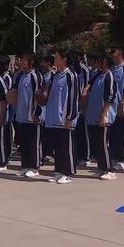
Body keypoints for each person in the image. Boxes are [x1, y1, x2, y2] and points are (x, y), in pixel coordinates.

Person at [45, 49, 79, 184]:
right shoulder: (54, 76)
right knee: (58, 147)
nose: (55, 59)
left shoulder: (71, 76)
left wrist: (70, 117)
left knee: (66, 147)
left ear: (64, 59)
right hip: (54, 118)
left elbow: (72, 97)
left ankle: (68, 172)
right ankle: (59, 171)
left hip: (65, 118)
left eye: (57, 57)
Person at [85, 53, 118, 180]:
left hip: (104, 116)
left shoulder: (109, 76)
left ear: (105, 62)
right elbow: (89, 84)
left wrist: (103, 115)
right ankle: (101, 167)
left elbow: (109, 97)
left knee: (103, 143)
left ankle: (109, 170)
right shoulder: (98, 74)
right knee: (96, 143)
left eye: (99, 60)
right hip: (93, 115)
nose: (96, 63)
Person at [14, 53, 43, 178]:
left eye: (24, 60)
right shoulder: (21, 76)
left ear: (31, 62)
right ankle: (25, 166)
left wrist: (36, 113)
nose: (21, 62)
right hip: (21, 115)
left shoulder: (36, 76)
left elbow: (39, 96)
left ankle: (34, 167)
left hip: (32, 116)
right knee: (24, 143)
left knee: (33, 143)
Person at [109, 48, 124, 170]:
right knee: (112, 134)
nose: (112, 54)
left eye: (115, 52)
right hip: (111, 107)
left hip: (121, 107)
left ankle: (123, 160)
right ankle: (114, 157)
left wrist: (122, 105)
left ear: (121, 54)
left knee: (120, 134)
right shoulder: (111, 69)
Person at [75, 52, 91, 167]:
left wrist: (83, 103)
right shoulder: (71, 70)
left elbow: (86, 87)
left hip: (81, 104)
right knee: (75, 132)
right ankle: (77, 155)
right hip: (73, 105)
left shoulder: (84, 70)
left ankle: (85, 156)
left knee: (82, 132)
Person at [39, 55, 55, 164]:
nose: (41, 64)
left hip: (50, 109)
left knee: (49, 133)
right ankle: (43, 153)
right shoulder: (40, 76)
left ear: (49, 63)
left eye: (43, 62)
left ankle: (49, 153)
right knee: (42, 133)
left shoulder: (54, 76)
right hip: (41, 108)